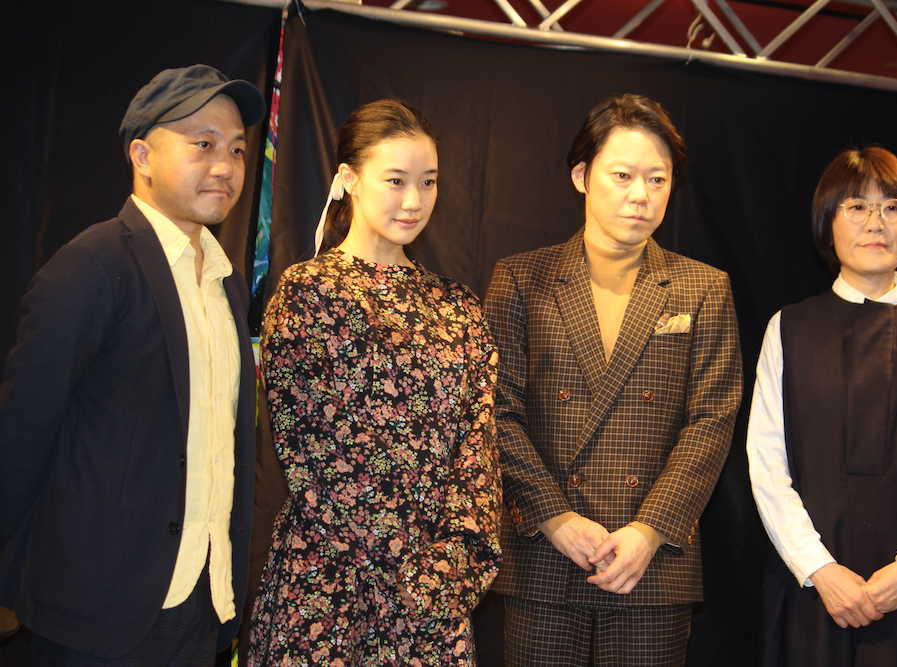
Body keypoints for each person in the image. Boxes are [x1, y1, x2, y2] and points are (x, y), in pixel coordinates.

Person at [0, 64, 265, 664]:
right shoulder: (93, 265)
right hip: (96, 613)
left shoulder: (225, 282)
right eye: (202, 145)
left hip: (202, 605)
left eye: (236, 149)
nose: (225, 166)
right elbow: (21, 431)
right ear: (142, 156)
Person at [484, 93, 743, 666]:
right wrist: (555, 518)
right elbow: (496, 412)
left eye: (657, 179)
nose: (640, 194)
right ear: (582, 176)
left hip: (652, 563)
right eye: (622, 175)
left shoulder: (703, 287)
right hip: (545, 556)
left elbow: (712, 420)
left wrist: (650, 529)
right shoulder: (522, 279)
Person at [246, 99, 502, 665]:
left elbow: (478, 447)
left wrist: (453, 565)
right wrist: (405, 568)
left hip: (435, 594)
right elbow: (313, 451)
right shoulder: (307, 292)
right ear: (349, 179)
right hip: (327, 582)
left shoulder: (458, 306)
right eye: (395, 180)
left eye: (428, 182)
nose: (414, 200)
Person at [747, 146, 897, 666]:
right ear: (827, 222)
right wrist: (820, 570)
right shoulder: (788, 328)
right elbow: (766, 464)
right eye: (857, 206)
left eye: (893, 207)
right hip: (814, 591)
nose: (876, 222)